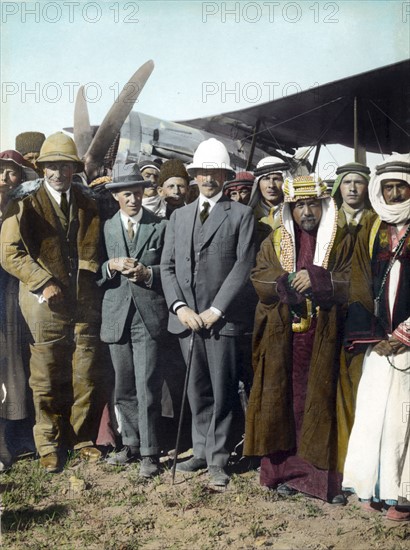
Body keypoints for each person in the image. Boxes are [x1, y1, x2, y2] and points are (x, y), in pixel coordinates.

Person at [244, 175, 352, 504]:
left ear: (323, 205)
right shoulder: (274, 242)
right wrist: (287, 280)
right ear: (290, 210)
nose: (306, 212)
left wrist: (319, 279)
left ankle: (321, 482)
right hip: (284, 339)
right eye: (299, 206)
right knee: (283, 404)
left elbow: (354, 279)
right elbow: (259, 276)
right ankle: (284, 474)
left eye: (312, 204)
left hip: (325, 337)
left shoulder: (341, 240)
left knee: (321, 404)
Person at [0, 132, 102, 473]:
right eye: (51, 166)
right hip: (42, 303)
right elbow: (10, 252)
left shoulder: (89, 201)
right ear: (41, 169)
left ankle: (82, 439)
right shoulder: (24, 201)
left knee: (84, 373)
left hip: (83, 301)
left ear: (74, 169)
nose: (57, 173)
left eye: (64, 166)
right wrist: (42, 282)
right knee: (45, 376)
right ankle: (48, 443)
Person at [160, 138, 256, 486]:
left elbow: (243, 266)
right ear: (195, 176)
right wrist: (180, 307)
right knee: (196, 387)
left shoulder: (241, 215)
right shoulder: (180, 216)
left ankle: (218, 459)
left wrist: (217, 310)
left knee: (223, 388)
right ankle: (200, 451)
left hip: (222, 321)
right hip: (187, 321)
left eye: (215, 173)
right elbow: (167, 267)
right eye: (202, 173)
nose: (208, 179)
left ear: (225, 176)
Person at [342, 153, 410, 522]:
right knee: (374, 415)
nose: (395, 192)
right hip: (379, 341)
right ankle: (375, 488)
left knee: (404, 418)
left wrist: (404, 334)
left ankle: (405, 495)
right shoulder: (375, 227)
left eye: (401, 185)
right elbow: (360, 283)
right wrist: (375, 335)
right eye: (389, 187)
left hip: (407, 340)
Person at [98, 163, 168, 478]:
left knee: (147, 385)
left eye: (138, 193)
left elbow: (169, 272)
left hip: (148, 316)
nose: (134, 200)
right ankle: (131, 443)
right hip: (117, 315)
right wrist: (110, 265)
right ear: (116, 197)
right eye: (127, 194)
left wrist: (147, 273)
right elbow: (95, 270)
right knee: (124, 384)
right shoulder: (107, 227)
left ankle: (151, 454)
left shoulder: (160, 226)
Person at [331, 162, 377, 471]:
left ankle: (363, 462)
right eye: (346, 182)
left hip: (365, 315)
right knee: (334, 387)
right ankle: (339, 459)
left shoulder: (377, 222)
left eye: (358, 182)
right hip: (331, 314)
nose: (351, 188)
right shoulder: (329, 222)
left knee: (362, 383)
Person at [0, 150, 37, 470]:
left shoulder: (20, 210)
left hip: (13, 294)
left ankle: (19, 435)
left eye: (11, 173)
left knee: (16, 367)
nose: (3, 178)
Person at [248, 156, 290, 243]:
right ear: (258, 184)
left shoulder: (293, 213)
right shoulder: (249, 216)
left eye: (276, 179)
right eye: (266, 179)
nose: (271, 185)